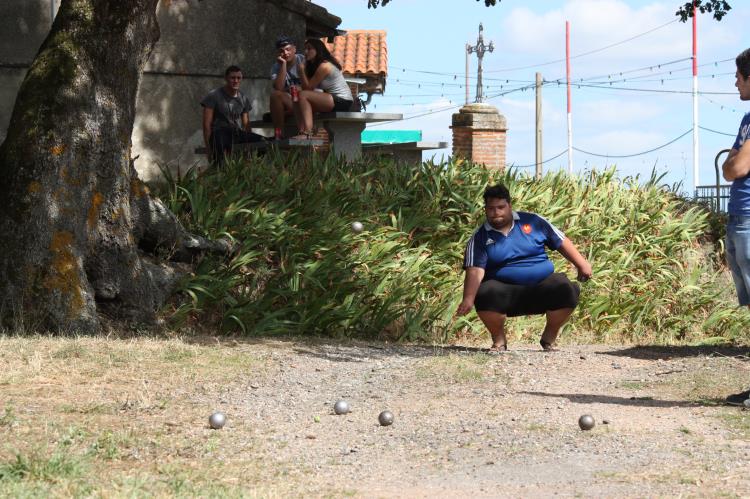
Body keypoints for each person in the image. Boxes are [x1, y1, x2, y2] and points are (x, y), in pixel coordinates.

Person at [456, 184, 593, 352]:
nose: (496, 212)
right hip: (504, 290)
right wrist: (468, 299)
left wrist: (582, 264)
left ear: (509, 206)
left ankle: (549, 338)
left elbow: (561, 241)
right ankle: (499, 340)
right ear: (485, 210)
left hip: (542, 284)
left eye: (501, 207)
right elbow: (475, 270)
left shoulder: (533, 221)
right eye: (491, 208)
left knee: (566, 288)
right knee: (484, 293)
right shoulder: (479, 238)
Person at [721, 47, 750, 407]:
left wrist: (735, 160)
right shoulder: (747, 118)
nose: (736, 83)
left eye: (740, 76)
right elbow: (732, 163)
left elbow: (736, 168)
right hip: (740, 218)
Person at [200, 65, 263, 165]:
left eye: (239, 78)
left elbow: (246, 124)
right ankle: (219, 170)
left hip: (236, 133)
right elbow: (206, 124)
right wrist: (208, 148)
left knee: (263, 142)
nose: (236, 81)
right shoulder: (214, 95)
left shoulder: (242, 98)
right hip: (220, 132)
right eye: (233, 78)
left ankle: (253, 169)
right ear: (226, 78)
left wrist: (248, 141)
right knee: (220, 147)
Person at [293, 38, 354, 138]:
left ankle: (307, 132)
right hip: (331, 99)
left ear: (318, 50)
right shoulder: (314, 66)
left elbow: (308, 89)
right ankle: (301, 130)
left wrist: (301, 72)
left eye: (309, 49)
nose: (306, 52)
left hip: (342, 101)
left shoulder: (324, 66)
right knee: (296, 95)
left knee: (303, 95)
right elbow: (306, 87)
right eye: (305, 49)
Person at [269, 36, 306, 137]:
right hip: (291, 102)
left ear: (295, 49)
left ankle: (303, 132)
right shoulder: (276, 67)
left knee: (297, 91)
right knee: (275, 95)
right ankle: (278, 135)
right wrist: (283, 65)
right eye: (282, 51)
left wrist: (300, 88)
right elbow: (278, 88)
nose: (285, 53)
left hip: (306, 101)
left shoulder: (304, 61)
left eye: (288, 49)